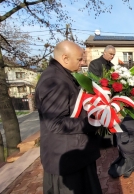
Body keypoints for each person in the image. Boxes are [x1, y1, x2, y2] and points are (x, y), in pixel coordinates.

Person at [35, 41, 102, 194]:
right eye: (79, 59)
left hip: (74, 156)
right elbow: (56, 123)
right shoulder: (54, 81)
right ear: (65, 58)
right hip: (68, 163)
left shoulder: (61, 76)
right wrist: (93, 122)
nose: (83, 62)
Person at [88, 45, 117, 148]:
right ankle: (100, 143)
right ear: (104, 52)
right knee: (99, 120)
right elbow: (93, 81)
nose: (112, 56)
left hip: (110, 98)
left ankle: (111, 142)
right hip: (98, 97)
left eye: (114, 54)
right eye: (110, 54)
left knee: (110, 119)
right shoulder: (94, 64)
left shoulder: (112, 66)